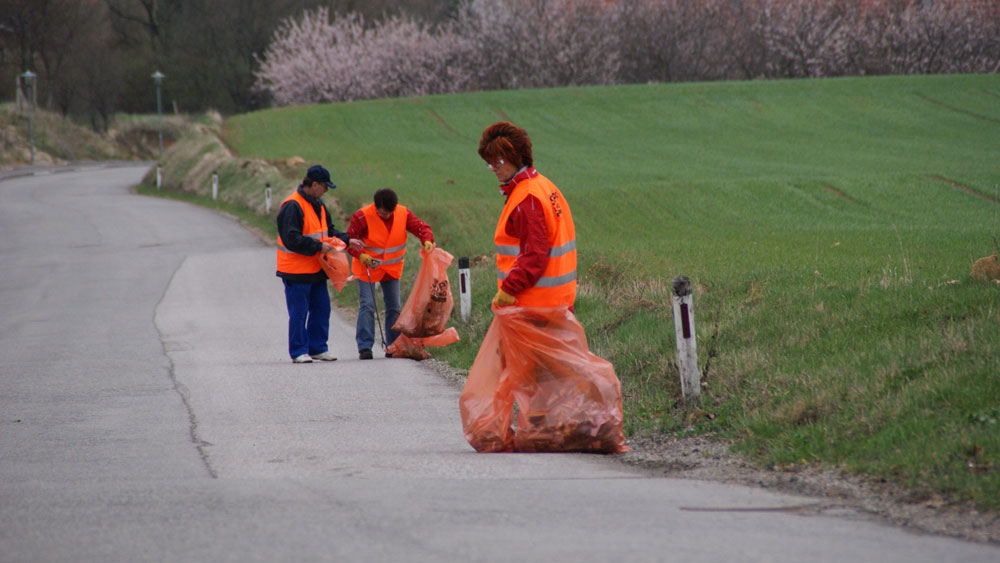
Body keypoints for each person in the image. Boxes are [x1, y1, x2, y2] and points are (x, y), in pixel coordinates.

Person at [477, 121, 577, 310]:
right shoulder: (543, 186)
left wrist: (508, 289)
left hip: (533, 307)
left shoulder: (527, 199)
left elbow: (534, 255)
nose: (493, 168)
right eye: (489, 163)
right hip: (556, 305)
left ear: (516, 157)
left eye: (498, 162)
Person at [276, 165, 354, 364]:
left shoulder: (318, 205)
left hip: (317, 269)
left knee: (322, 309)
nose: (326, 191)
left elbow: (329, 232)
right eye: (325, 187)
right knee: (299, 313)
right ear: (315, 184)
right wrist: (319, 246)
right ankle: (298, 351)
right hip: (295, 272)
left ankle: (318, 348)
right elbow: (290, 238)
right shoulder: (292, 205)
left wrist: (347, 240)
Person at [347, 188, 435, 359]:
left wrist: (427, 240)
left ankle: (394, 346)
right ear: (376, 207)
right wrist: (360, 254)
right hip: (367, 268)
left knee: (394, 307)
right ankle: (365, 347)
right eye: (383, 212)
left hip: (391, 269)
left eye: (390, 212)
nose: (387, 215)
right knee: (367, 306)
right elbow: (349, 239)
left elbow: (421, 228)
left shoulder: (403, 214)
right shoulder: (361, 216)